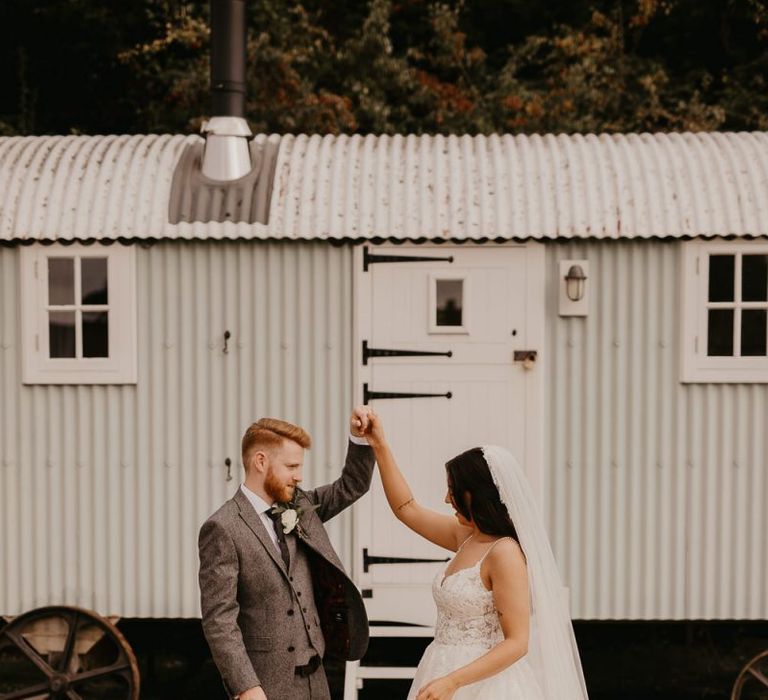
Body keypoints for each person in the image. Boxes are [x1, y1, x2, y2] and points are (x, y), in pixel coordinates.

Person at [362, 411, 589, 700]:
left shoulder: (504, 552)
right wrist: (379, 445)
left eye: (453, 491)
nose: (447, 499)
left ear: (477, 495)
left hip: (485, 684)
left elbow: (518, 643)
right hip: (439, 668)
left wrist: (453, 682)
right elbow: (406, 508)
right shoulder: (466, 536)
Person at [198, 407, 374, 700]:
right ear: (261, 461)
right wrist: (245, 685)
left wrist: (360, 440)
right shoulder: (223, 527)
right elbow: (219, 618)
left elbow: (351, 486)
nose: (299, 476)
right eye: (292, 467)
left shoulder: (301, 506)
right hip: (265, 684)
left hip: (316, 680)